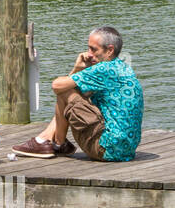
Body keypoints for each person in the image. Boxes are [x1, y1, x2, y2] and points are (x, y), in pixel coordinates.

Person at [13, 26, 143, 161]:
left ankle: (57, 143)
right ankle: (48, 139)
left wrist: (77, 68)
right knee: (75, 91)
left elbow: (57, 86)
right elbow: (81, 92)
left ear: (110, 50)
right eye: (88, 48)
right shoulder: (123, 68)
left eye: (94, 49)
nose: (89, 54)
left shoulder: (103, 68)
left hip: (105, 149)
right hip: (127, 150)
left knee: (65, 91)